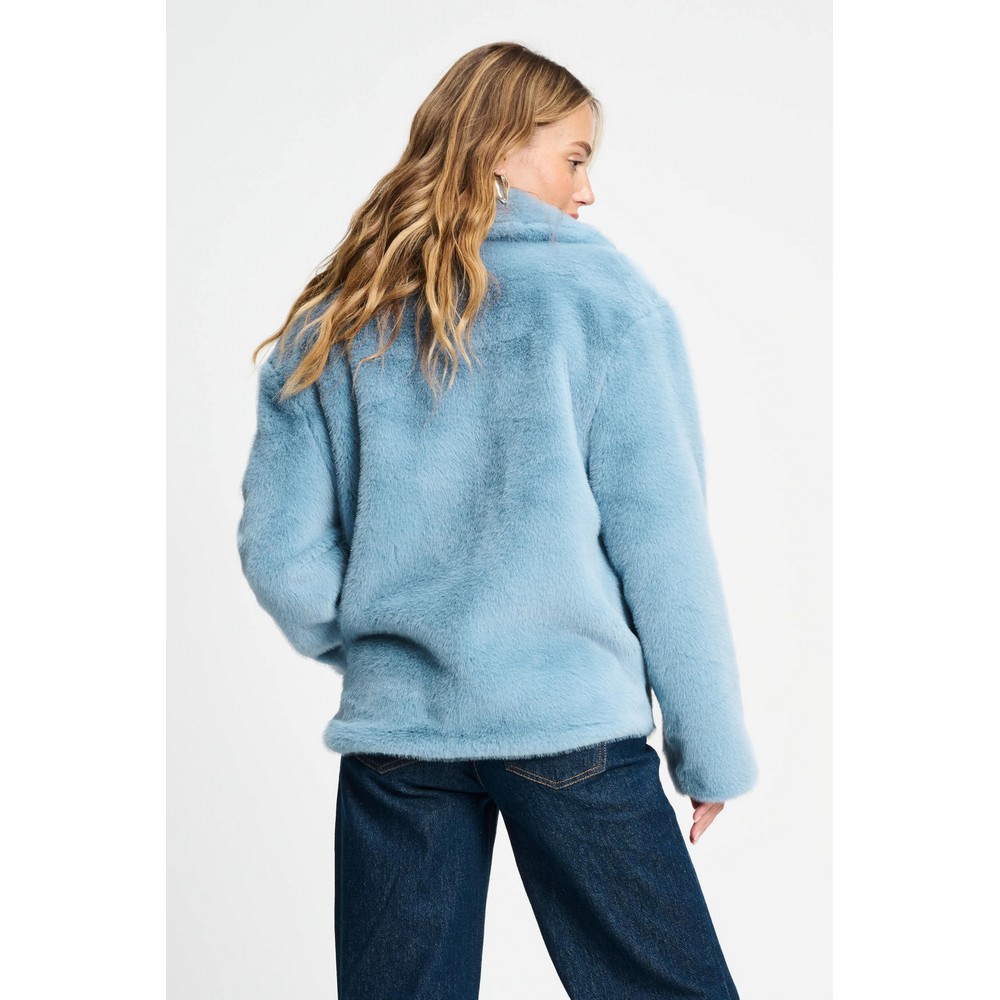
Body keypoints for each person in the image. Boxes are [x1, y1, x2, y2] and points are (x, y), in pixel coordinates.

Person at [237, 41, 758, 1000]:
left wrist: (387, 646)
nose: (587, 190)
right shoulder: (607, 306)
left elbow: (280, 552)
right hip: (569, 725)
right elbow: (666, 551)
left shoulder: (337, 319)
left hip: (400, 737)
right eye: (575, 157)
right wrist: (710, 745)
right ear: (500, 149)